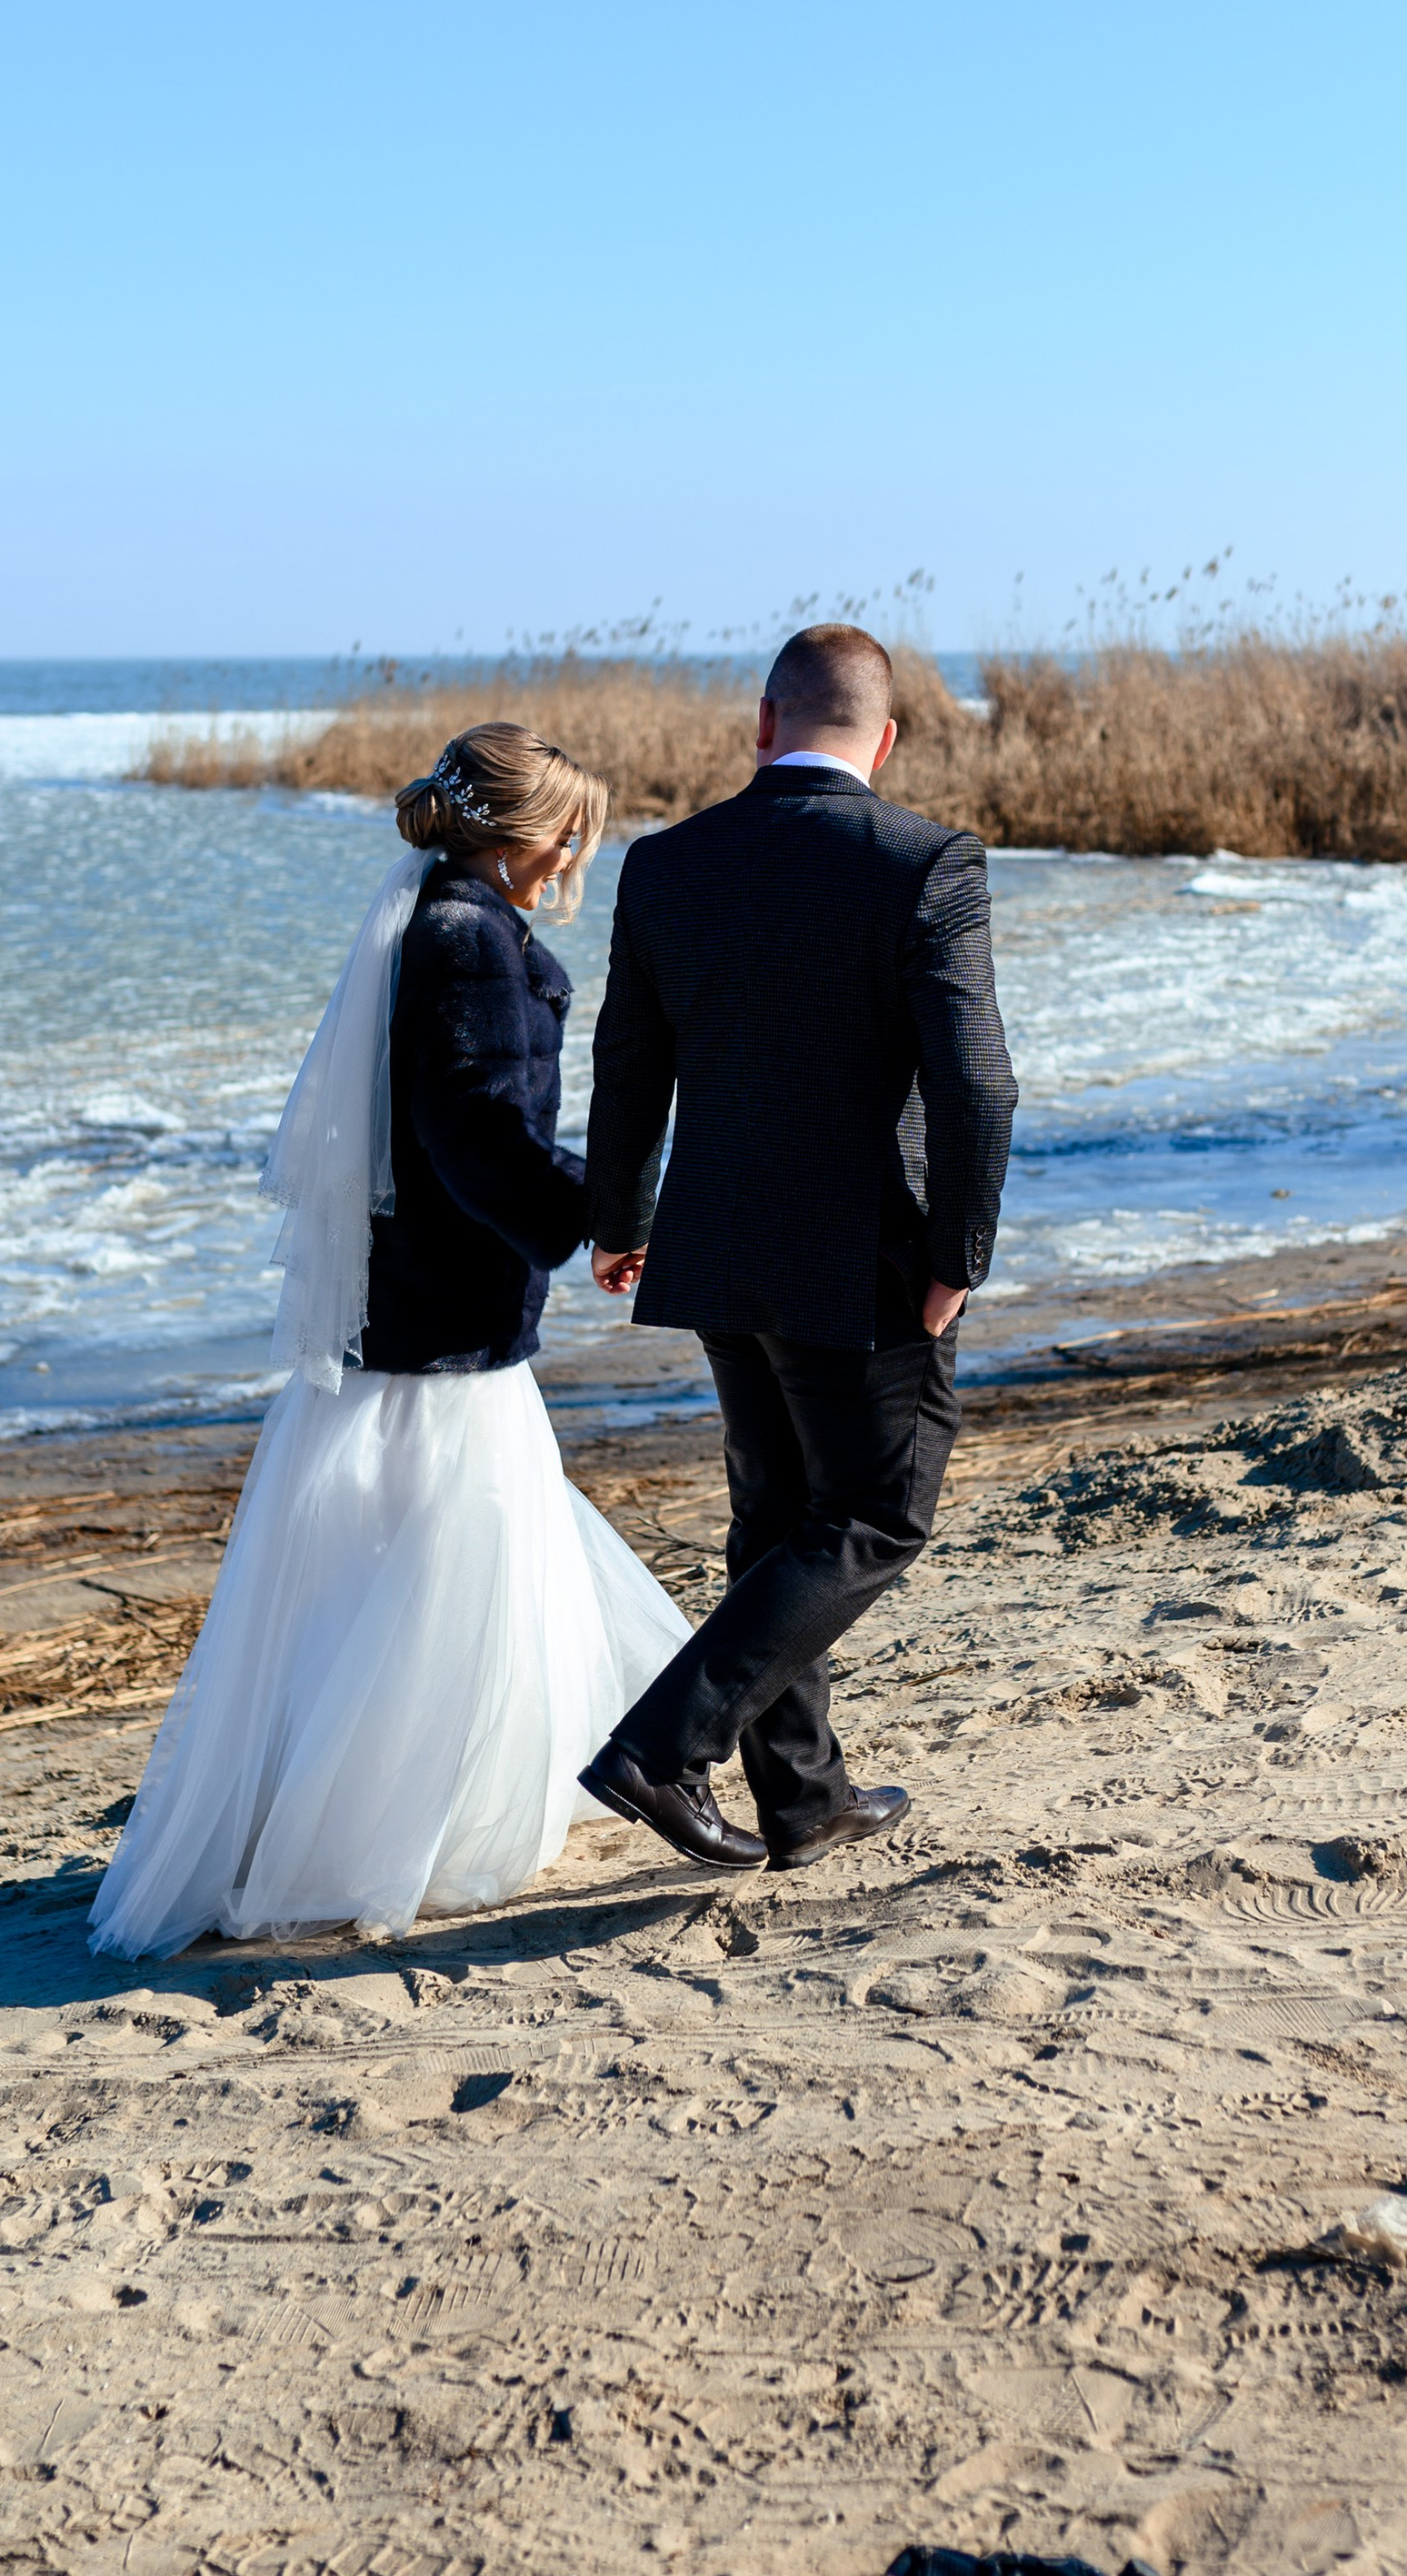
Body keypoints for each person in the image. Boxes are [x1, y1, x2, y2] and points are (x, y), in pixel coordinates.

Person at [87, 723, 689, 1958]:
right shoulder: (464, 940)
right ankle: (394, 1829)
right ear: (523, 832)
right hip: (439, 1315)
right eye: (571, 824)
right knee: (435, 1570)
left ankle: (427, 1805)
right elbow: (475, 1134)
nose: (582, 847)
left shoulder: (436, 914)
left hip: (427, 1303)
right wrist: (600, 1217)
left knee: (422, 1564)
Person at [579, 622, 1017, 1875]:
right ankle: (666, 1748)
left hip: (719, 1243)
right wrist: (959, 1259)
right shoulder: (927, 861)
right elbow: (978, 1087)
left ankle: (806, 1798)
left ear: (763, 725)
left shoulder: (667, 865)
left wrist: (621, 1220)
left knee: (779, 1517)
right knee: (877, 1512)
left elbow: (629, 1062)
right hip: (863, 1256)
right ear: (882, 741)